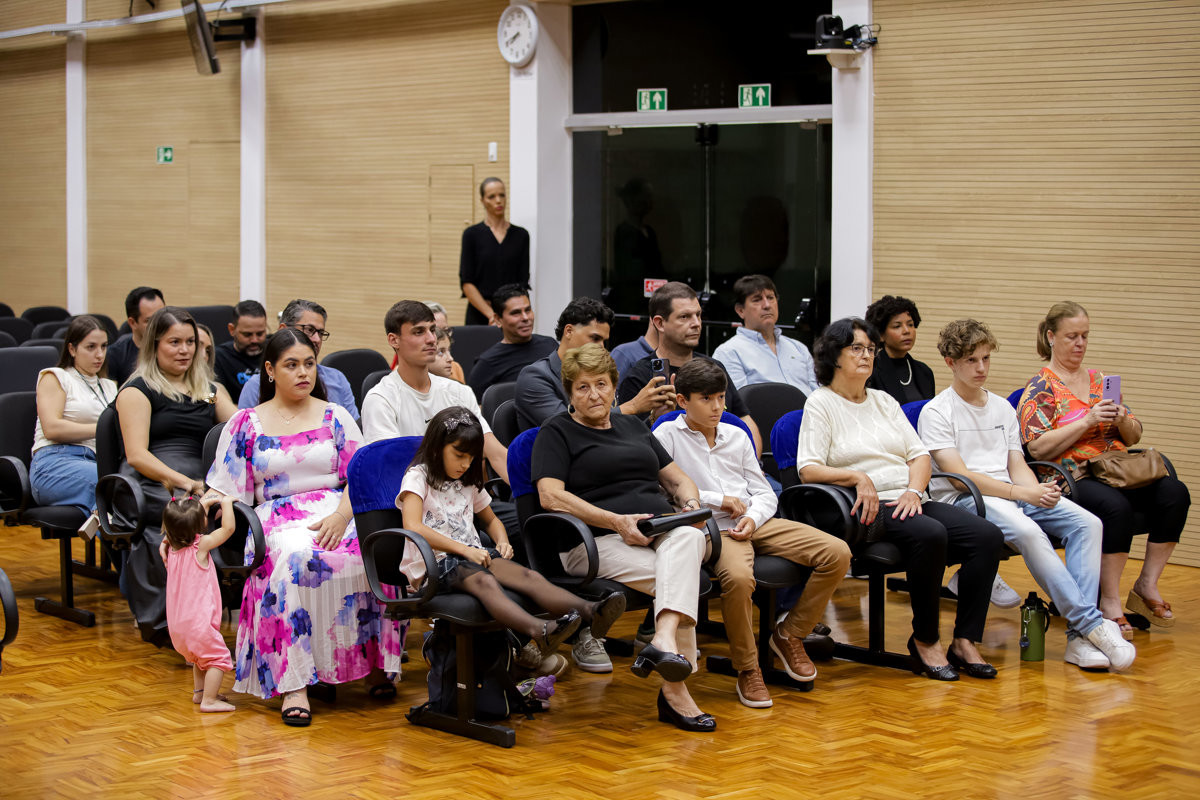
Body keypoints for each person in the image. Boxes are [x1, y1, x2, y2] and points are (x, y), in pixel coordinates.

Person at [205, 328, 405, 727]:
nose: (303, 373)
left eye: (309, 364)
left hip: (338, 510)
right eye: (291, 365)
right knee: (297, 559)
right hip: (276, 516)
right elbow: (223, 490)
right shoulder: (246, 422)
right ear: (270, 370)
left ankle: (377, 665)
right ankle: (294, 683)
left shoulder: (336, 415)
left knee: (373, 549)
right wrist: (207, 505)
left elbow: (359, 477)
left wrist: (341, 517)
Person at [920, 319, 1135, 672]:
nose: (981, 368)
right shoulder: (937, 411)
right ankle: (1092, 625)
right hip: (967, 501)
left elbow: (1016, 461)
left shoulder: (1003, 408)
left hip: (1011, 493)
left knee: (1088, 524)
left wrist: (1034, 490)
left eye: (986, 359)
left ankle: (1079, 642)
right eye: (972, 360)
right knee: (1030, 531)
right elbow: (960, 479)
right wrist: (1021, 492)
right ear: (950, 363)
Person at [796, 317, 1004, 681]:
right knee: (930, 533)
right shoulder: (821, 403)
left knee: (987, 537)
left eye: (870, 349)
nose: (866, 355)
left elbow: (919, 456)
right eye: (856, 348)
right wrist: (857, 477)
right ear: (834, 356)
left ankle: (966, 640)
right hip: (861, 507)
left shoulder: (883, 401)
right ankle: (925, 639)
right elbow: (808, 469)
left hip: (907, 498)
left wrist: (912, 490)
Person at [533, 343, 715, 732]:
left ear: (615, 386)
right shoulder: (557, 431)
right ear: (569, 394)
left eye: (601, 384)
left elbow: (679, 479)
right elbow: (550, 495)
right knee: (683, 579)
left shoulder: (633, 426)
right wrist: (615, 521)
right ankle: (676, 693)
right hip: (592, 543)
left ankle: (663, 641)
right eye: (582, 387)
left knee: (689, 537)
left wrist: (690, 503)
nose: (594, 394)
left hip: (655, 533)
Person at [653, 359, 850, 707]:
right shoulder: (665, 436)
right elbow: (667, 492)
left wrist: (754, 519)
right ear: (682, 401)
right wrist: (719, 500)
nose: (717, 407)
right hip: (712, 528)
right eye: (706, 399)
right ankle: (747, 667)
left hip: (754, 521)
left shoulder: (735, 435)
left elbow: (762, 491)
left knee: (837, 553)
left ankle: (790, 635)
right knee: (741, 578)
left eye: (721, 397)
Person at [400, 407, 627, 663]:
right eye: (459, 455)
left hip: (471, 558)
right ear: (436, 448)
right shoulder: (417, 476)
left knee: (528, 575)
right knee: (485, 582)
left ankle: (591, 611)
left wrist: (502, 540)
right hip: (433, 566)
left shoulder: (466, 481)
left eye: (472, 458)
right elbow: (413, 526)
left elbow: (492, 519)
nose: (465, 464)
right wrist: (463, 549)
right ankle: (540, 631)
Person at [1019, 301, 1190, 636]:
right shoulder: (1041, 387)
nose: (1080, 343)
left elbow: (1134, 434)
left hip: (1116, 469)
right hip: (1071, 476)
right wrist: (1086, 422)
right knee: (1115, 508)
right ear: (1051, 337)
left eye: (1084, 336)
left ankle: (1145, 585)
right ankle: (1109, 601)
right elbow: (1036, 447)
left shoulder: (1101, 380)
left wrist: (1123, 419)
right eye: (1072, 336)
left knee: (1175, 492)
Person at [114, 307, 237, 646]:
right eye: (174, 342)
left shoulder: (210, 388)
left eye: (190, 342)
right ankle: (165, 620)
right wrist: (187, 483)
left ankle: (210, 610)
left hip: (202, 476)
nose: (185, 350)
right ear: (154, 345)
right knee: (183, 514)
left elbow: (241, 430)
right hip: (153, 477)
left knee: (235, 510)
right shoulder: (136, 390)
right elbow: (137, 455)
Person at [361, 301, 521, 542]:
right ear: (393, 340)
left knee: (532, 522)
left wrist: (535, 495)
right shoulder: (381, 399)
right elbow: (393, 474)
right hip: (421, 514)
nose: (431, 339)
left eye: (432, 330)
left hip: (468, 502)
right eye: (418, 332)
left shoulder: (458, 392)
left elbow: (496, 454)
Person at [618, 282, 761, 455]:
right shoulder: (641, 376)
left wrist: (753, 463)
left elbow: (744, 420)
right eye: (684, 317)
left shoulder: (714, 367)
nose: (696, 324)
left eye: (698, 315)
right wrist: (655, 419)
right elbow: (630, 443)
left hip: (729, 465)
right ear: (660, 323)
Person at [513, 297, 674, 432]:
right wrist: (633, 406)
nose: (602, 348)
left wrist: (655, 418)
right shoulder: (535, 377)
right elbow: (568, 428)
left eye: (604, 341)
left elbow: (616, 429)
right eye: (595, 339)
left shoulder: (600, 375)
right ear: (569, 331)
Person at [30, 315, 118, 534]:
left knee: (131, 486)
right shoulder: (56, 377)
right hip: (54, 464)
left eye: (104, 346)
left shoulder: (109, 387)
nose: (99, 354)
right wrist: (103, 431)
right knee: (109, 487)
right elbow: (52, 429)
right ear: (72, 349)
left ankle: (129, 558)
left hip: (99, 462)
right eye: (91, 347)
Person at [158, 492, 236, 713]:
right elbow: (227, 529)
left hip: (178, 630)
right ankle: (209, 701)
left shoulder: (171, 549)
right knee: (219, 658)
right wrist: (226, 503)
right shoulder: (200, 546)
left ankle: (199, 693)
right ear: (201, 524)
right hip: (199, 626)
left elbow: (183, 520)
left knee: (200, 658)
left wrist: (203, 505)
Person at [236, 299, 359, 421]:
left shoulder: (337, 379)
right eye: (309, 330)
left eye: (320, 333)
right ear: (283, 330)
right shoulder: (255, 387)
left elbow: (355, 433)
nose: (316, 339)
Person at [712, 274, 819, 394]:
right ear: (740, 310)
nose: (767, 305)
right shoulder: (729, 352)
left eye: (770, 298)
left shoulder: (799, 348)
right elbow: (739, 405)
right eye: (757, 300)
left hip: (808, 412)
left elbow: (818, 394)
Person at [459, 177, 530, 325]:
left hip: (512, 314)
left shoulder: (521, 235)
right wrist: (492, 315)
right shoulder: (471, 235)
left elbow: (522, 281)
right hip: (480, 313)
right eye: (492, 196)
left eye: (502, 195)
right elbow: (467, 283)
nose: (498, 200)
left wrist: (512, 313)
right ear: (483, 200)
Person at [466, 285, 557, 399]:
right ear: (498, 320)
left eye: (528, 310)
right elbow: (474, 408)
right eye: (516, 313)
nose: (525, 317)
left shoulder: (550, 345)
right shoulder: (487, 363)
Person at [865, 295, 936, 405]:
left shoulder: (924, 371)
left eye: (910, 324)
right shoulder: (870, 372)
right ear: (880, 335)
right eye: (897, 326)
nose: (907, 331)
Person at [107, 286, 166, 385]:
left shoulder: (176, 348)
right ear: (132, 323)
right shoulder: (115, 354)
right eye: (150, 320)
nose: (159, 324)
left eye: (162, 316)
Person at [213, 300, 269, 401]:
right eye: (247, 334)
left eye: (260, 334)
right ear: (232, 330)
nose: (254, 340)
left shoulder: (276, 351)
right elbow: (216, 400)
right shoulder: (219, 357)